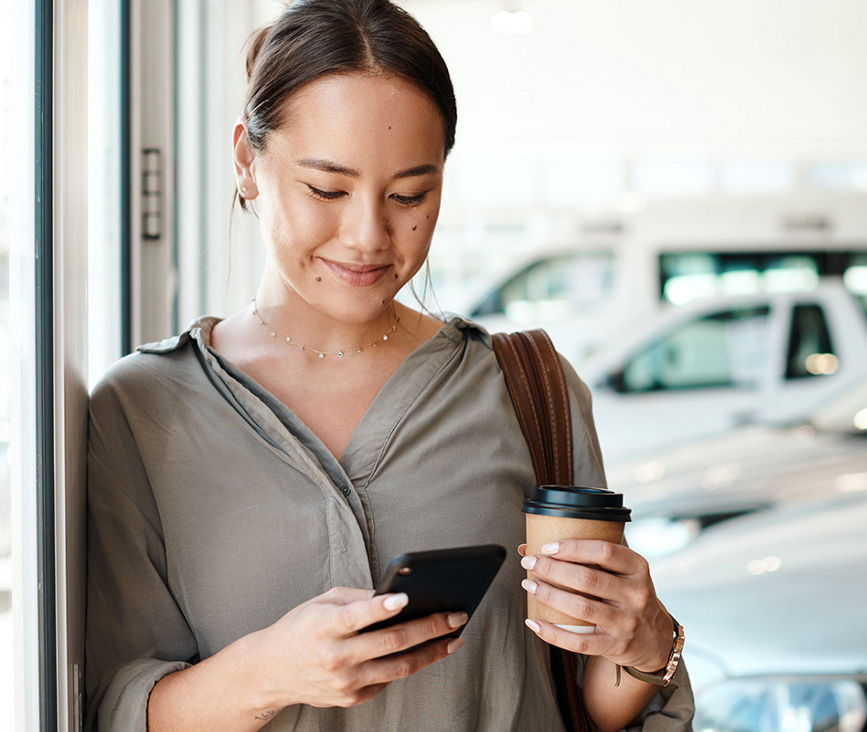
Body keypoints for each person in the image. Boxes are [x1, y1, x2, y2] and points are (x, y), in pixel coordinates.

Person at [85, 1, 695, 729]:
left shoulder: (529, 389)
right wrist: (267, 672)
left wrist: (647, 636)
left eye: (411, 193)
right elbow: (114, 707)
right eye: (327, 189)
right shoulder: (141, 410)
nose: (369, 235)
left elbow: (592, 705)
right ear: (248, 161)